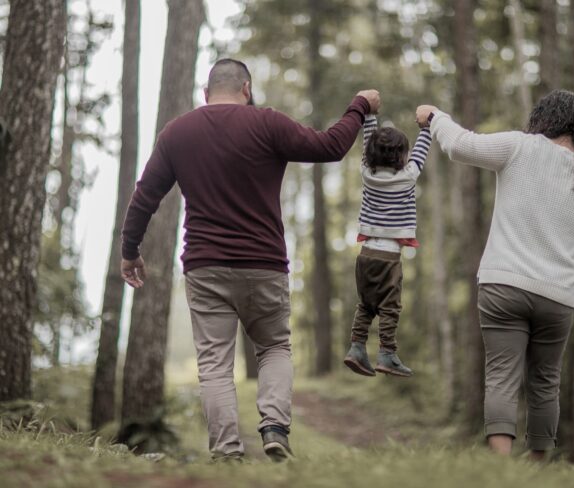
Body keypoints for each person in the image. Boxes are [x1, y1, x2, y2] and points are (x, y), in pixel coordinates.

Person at [120, 58, 381, 462]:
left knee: (214, 365)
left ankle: (226, 453)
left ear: (206, 94)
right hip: (263, 263)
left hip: (205, 266)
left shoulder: (178, 132)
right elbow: (330, 146)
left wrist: (130, 250)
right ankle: (275, 427)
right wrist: (359, 105)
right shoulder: (267, 122)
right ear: (247, 88)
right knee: (274, 346)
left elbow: (145, 196)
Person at [415, 90, 574, 460]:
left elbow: (460, 146)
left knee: (502, 376)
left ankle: (501, 471)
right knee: (546, 384)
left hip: (503, 285)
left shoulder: (519, 147)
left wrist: (436, 116)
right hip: (558, 297)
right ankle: (536, 471)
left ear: (543, 119)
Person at [343, 112, 432, 378]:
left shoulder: (366, 174)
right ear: (401, 157)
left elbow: (367, 140)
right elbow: (421, 152)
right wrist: (426, 127)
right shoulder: (408, 176)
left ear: (370, 154)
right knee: (389, 307)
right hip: (389, 257)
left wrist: (369, 115)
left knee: (366, 305)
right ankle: (387, 354)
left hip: (366, 254)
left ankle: (357, 347)